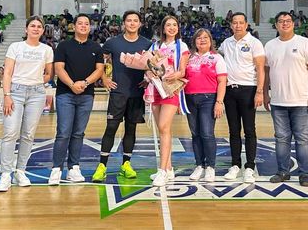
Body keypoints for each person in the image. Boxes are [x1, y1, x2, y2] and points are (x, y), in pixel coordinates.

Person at [92, 11, 152, 183]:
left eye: (135, 20)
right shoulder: (113, 42)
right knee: (111, 128)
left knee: (131, 129)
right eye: (129, 20)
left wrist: (148, 79)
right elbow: (100, 61)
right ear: (124, 23)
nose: (132, 23)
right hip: (118, 92)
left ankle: (126, 164)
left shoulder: (147, 44)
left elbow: (153, 66)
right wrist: (104, 78)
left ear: (140, 24)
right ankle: (102, 166)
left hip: (136, 93)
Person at [0, 16, 54, 192]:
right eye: (32, 26)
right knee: (10, 133)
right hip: (15, 92)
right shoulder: (16, 47)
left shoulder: (47, 50)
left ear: (42, 31)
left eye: (39, 26)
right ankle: (6, 174)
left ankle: (20, 171)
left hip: (37, 93)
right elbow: (7, 73)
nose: (36, 29)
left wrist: (36, 81)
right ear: (26, 29)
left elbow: (49, 74)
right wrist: (7, 95)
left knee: (28, 134)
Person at [263, 11, 308, 187]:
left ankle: (304, 174)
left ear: (293, 24)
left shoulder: (305, 43)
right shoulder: (270, 45)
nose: (284, 23)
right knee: (281, 139)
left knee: (302, 139)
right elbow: (266, 73)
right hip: (278, 102)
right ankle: (283, 171)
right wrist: (265, 93)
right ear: (276, 25)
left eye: (288, 20)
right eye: (281, 21)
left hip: (301, 101)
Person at [48, 14, 104, 185]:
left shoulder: (96, 47)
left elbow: (99, 70)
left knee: (78, 133)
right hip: (65, 94)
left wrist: (85, 83)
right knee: (63, 132)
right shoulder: (64, 46)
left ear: (90, 27)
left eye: (86, 23)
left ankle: (73, 168)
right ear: (74, 26)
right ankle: (56, 169)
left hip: (86, 95)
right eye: (80, 23)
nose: (83, 26)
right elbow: (59, 68)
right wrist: (72, 84)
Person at [219, 12, 265, 183]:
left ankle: (250, 167)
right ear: (231, 25)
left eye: (241, 22)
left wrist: (259, 91)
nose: (237, 25)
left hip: (249, 90)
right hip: (230, 91)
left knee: (249, 130)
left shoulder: (254, 43)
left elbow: (260, 69)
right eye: (235, 22)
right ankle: (235, 165)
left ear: (246, 24)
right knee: (233, 130)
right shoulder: (226, 43)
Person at [150, 15, 190, 187]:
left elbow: (182, 71)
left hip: (171, 90)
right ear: (163, 28)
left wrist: (175, 75)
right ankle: (169, 167)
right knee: (163, 130)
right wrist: (150, 73)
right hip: (156, 89)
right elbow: (149, 66)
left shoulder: (181, 46)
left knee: (163, 126)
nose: (172, 27)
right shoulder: (155, 46)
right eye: (168, 25)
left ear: (178, 28)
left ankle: (162, 171)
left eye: (175, 25)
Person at [184, 28, 227, 182]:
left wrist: (219, 102)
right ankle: (199, 165)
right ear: (194, 41)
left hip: (209, 99)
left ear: (210, 41)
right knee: (195, 133)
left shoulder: (216, 58)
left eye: (205, 38)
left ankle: (210, 167)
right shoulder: (188, 58)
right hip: (189, 99)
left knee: (207, 133)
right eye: (199, 38)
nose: (202, 40)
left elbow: (222, 81)